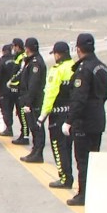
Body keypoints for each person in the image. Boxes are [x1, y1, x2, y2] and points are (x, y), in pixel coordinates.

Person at [63, 33, 107, 206]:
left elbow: (79, 98)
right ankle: (92, 192)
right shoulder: (102, 67)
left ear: (78, 48)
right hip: (98, 118)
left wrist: (69, 120)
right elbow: (104, 95)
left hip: (84, 120)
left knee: (83, 159)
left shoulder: (84, 69)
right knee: (94, 158)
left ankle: (83, 194)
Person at [37, 42, 76, 188]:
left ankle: (64, 178)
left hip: (58, 114)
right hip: (71, 114)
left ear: (58, 54)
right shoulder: (74, 67)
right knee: (68, 147)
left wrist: (43, 115)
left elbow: (50, 94)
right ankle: (69, 176)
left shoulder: (57, 70)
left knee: (58, 147)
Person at [18, 37, 47, 163]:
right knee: (33, 127)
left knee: (36, 127)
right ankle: (35, 150)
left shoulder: (35, 63)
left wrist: (28, 102)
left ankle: (38, 152)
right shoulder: (31, 61)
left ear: (27, 48)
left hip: (34, 101)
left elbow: (33, 85)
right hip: (30, 99)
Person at [0, 43, 17, 136]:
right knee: (11, 108)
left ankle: (9, 128)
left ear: (4, 51)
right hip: (15, 90)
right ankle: (10, 128)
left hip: (4, 90)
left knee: (5, 109)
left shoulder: (2, 61)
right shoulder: (16, 60)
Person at [7, 38, 30, 145]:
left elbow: (21, 73)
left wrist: (12, 81)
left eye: (14, 46)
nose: (13, 49)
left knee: (22, 114)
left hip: (20, 89)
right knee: (19, 113)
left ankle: (25, 135)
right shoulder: (17, 57)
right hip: (16, 89)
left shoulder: (22, 57)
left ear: (17, 46)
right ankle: (23, 134)